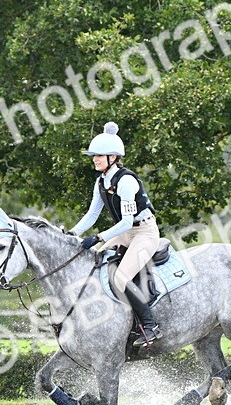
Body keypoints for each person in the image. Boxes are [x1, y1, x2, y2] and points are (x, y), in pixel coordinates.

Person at [69, 121, 163, 345]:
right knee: (94, 263)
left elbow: (128, 221)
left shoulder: (126, 181)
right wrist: (71, 233)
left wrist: (99, 237)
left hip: (144, 233)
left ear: (113, 157)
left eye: (99, 155)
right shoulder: (101, 181)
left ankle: (150, 327)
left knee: (120, 278)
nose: (94, 159)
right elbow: (92, 215)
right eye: (94, 156)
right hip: (125, 232)